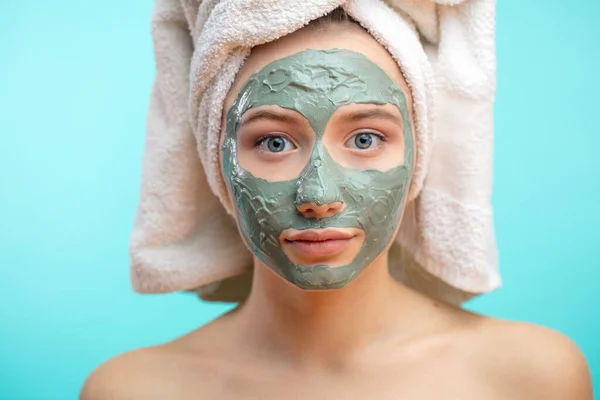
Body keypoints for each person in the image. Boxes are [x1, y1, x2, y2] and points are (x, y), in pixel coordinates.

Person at [81, 3, 593, 399]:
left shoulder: (531, 379)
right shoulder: (131, 390)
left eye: (366, 139)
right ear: (216, 161)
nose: (318, 197)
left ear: (419, 154)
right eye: (273, 142)